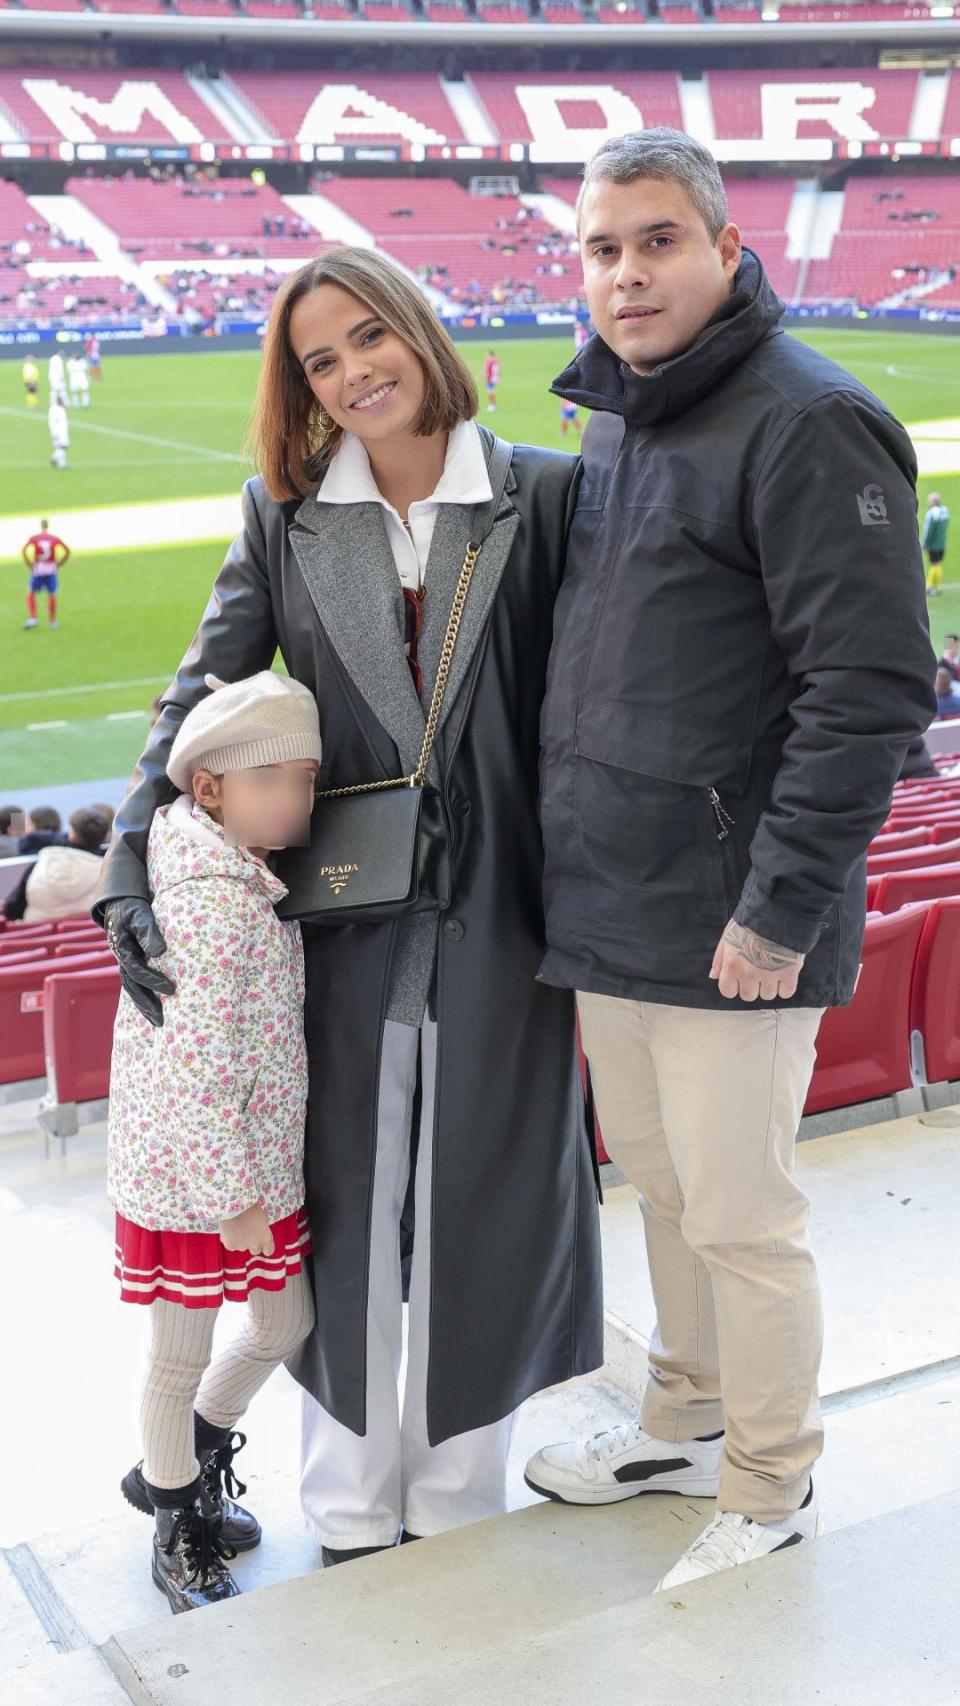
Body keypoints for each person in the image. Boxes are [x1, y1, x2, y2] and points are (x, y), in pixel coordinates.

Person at [91, 245, 602, 1567]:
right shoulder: (286, 512)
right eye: (320, 359)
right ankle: (347, 1501)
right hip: (342, 912)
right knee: (352, 1192)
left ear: (417, 329)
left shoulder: (548, 495)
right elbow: (197, 690)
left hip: (508, 912)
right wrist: (133, 843)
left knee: (481, 1192)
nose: (354, 370)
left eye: (369, 335)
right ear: (302, 387)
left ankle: (454, 1482)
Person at [527, 128, 936, 1591]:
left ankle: (770, 1476)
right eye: (602, 248)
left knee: (746, 1217)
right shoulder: (623, 412)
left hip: (730, 914)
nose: (626, 274)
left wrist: (777, 909)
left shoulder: (808, 420)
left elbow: (874, 687)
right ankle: (685, 1414)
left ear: (727, 251)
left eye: (656, 241)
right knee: (664, 1186)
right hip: (613, 895)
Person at [107, 672, 320, 1613]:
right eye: (271, 777)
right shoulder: (207, 903)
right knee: (177, 1355)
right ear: (210, 790)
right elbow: (192, 1073)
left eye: (306, 778)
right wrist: (232, 1197)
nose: (296, 799)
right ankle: (173, 1522)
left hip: (255, 1170)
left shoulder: (245, 879)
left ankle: (178, 1462)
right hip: (199, 1185)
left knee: (284, 1324)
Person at [3, 807, 109, 921]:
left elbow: (11, 911)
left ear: (72, 834)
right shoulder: (109, 871)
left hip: (38, 932)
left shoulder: (40, 865)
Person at [22, 517, 70, 629]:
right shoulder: (54, 539)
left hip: (38, 568)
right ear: (48, 526)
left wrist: (29, 563)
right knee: (52, 594)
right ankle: (52, 621)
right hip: (51, 568)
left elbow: (24, 550)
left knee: (30, 592)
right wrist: (60, 563)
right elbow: (67, 551)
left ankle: (33, 618)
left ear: (41, 526)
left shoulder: (34, 538)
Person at [922, 490, 950, 596]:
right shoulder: (945, 510)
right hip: (942, 543)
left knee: (934, 564)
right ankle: (938, 586)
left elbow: (928, 530)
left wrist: (925, 544)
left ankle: (929, 586)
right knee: (937, 563)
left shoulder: (932, 512)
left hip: (933, 544)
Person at [48, 397, 69, 470]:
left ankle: (56, 459)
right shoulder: (55, 409)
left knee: (61, 447)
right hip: (59, 432)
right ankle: (59, 462)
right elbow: (55, 421)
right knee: (62, 447)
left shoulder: (59, 408)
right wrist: (55, 434)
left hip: (62, 431)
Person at [483, 347, 500, 412]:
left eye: (487, 355)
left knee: (490, 392)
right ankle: (492, 404)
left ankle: (493, 405)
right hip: (492, 378)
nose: (486, 356)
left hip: (491, 379)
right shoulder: (494, 361)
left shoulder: (490, 361)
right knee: (489, 392)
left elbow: (488, 370)